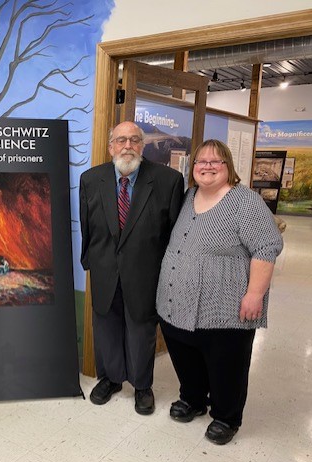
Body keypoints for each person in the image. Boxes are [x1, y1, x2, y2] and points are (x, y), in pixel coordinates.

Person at [156, 139, 283, 445]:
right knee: (185, 352)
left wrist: (255, 294)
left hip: (225, 306)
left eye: (216, 161)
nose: (208, 167)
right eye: (201, 161)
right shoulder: (188, 196)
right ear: (193, 167)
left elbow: (267, 246)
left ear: (229, 166)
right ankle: (193, 399)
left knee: (227, 362)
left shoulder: (245, 202)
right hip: (177, 303)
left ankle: (227, 416)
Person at [79, 121, 184, 414]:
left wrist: (168, 274)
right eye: (121, 140)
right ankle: (111, 379)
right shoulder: (91, 179)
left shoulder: (168, 181)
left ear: (143, 145)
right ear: (110, 146)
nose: (128, 146)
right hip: (104, 270)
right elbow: (87, 226)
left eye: (135, 140)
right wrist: (89, 261)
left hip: (146, 273)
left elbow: (173, 235)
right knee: (106, 327)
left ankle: (142, 385)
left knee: (141, 330)